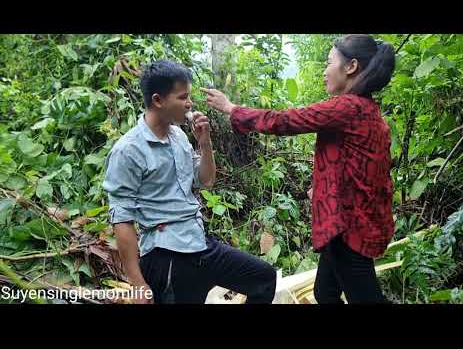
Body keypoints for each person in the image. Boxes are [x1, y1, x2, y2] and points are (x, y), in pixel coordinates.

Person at [202, 34, 396, 303]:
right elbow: (366, 170)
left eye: (329, 63)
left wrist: (232, 108)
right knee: (324, 293)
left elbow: (285, 121)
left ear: (351, 67)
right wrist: (323, 186)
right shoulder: (369, 112)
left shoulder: (347, 107)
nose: (325, 71)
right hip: (351, 220)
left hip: (348, 226)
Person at [103, 60, 276, 304]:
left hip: (198, 243)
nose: (189, 103)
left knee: (264, 278)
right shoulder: (128, 150)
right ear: (158, 100)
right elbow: (122, 219)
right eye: (183, 97)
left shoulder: (179, 137)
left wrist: (205, 143)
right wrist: (137, 283)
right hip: (167, 255)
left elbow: (206, 182)